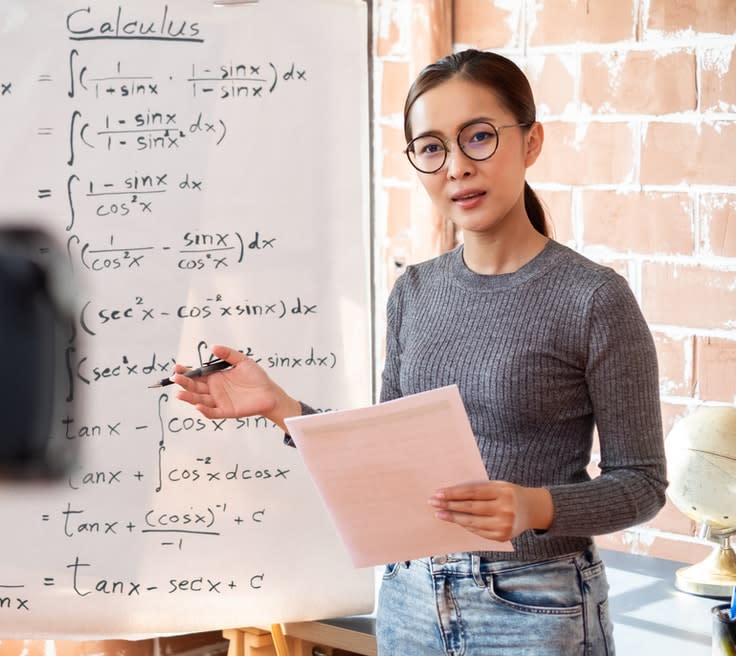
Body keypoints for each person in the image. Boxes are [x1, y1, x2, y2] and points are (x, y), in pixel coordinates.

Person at [171, 49, 667, 655]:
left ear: (531, 141)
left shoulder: (594, 298)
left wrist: (534, 506)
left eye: (478, 137)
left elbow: (641, 484)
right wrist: (280, 406)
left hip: (535, 605)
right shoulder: (414, 292)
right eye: (432, 148)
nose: (456, 167)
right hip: (408, 597)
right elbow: (386, 461)